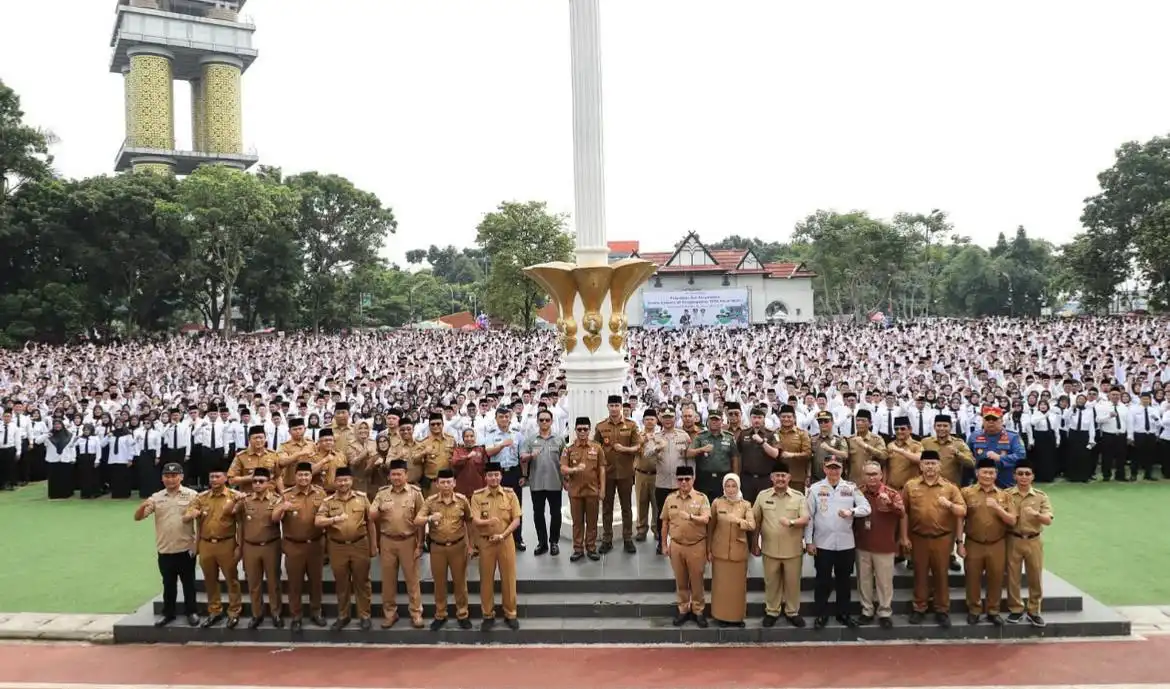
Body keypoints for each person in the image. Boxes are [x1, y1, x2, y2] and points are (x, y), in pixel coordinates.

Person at [804, 455, 872, 629]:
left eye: (837, 468)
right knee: (822, 581)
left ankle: (844, 613)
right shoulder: (815, 488)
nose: (833, 471)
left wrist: (851, 511)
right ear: (824, 469)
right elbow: (809, 517)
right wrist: (809, 541)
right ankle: (821, 614)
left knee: (844, 581)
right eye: (830, 467)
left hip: (845, 543)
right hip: (823, 543)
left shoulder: (851, 488)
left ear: (842, 469)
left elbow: (866, 508)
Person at [901, 449, 965, 628]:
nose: (930, 467)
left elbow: (962, 511)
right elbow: (903, 512)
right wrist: (904, 536)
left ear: (940, 466)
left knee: (941, 575)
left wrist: (950, 504)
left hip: (942, 539)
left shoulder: (950, 487)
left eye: (933, 463)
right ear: (920, 466)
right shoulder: (910, 485)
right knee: (920, 574)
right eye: (926, 463)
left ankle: (942, 609)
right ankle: (919, 607)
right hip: (918, 537)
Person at [134, 462, 200, 628]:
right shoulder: (156, 498)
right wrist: (142, 505)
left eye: (174, 476)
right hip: (165, 548)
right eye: (167, 476)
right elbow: (138, 517)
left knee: (189, 583)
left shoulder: (192, 495)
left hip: (186, 548)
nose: (170, 479)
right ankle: (168, 613)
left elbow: (201, 521)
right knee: (168, 584)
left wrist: (196, 544)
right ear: (162, 478)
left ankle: (191, 612)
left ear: (181, 477)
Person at [182, 462, 244, 629]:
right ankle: (215, 611)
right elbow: (186, 517)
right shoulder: (201, 498)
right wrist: (191, 514)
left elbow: (241, 523)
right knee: (210, 580)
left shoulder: (235, 496)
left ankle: (234, 611)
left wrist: (240, 545)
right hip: (206, 544)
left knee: (232, 579)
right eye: (212, 477)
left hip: (227, 543)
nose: (214, 479)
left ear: (225, 478)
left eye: (218, 476)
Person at [958, 457, 1017, 626]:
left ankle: (993, 610)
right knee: (972, 578)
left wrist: (998, 508)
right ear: (977, 473)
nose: (988, 476)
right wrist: (959, 543)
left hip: (997, 543)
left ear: (996, 474)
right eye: (984, 472)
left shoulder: (1004, 496)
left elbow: (1012, 520)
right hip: (973, 542)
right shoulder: (966, 493)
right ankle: (974, 610)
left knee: (996, 578)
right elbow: (960, 520)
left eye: (991, 473)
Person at [315, 465, 374, 631]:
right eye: (340, 480)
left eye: (346, 480)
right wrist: (333, 520)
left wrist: (373, 546)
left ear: (351, 481)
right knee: (341, 583)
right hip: (337, 547)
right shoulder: (328, 502)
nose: (343, 483)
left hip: (359, 544)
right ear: (335, 482)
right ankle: (343, 615)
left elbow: (371, 523)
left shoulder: (362, 498)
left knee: (362, 581)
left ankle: (365, 615)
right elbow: (318, 521)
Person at [369, 458, 426, 629]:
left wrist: (420, 544)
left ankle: (416, 613)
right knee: (388, 581)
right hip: (387, 541)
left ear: (406, 475)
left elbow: (421, 520)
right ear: (389, 476)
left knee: (412, 580)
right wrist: (376, 511)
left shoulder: (415, 493)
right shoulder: (382, 494)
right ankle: (390, 613)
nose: (396, 477)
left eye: (399, 474)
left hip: (408, 541)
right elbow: (372, 515)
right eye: (393, 474)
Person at [415, 468, 474, 631]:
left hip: (458, 546)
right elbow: (417, 520)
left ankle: (463, 614)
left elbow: (469, 521)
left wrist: (471, 545)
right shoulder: (431, 501)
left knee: (460, 583)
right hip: (438, 548)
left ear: (454, 483)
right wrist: (429, 518)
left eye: (449, 482)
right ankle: (440, 614)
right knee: (439, 583)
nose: (446, 485)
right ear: (437, 484)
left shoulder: (462, 500)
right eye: (443, 482)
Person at [752, 462, 808, 628]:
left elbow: (805, 519)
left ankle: (792, 612)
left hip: (792, 550)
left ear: (789, 478)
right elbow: (755, 520)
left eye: (783, 476)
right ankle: (772, 611)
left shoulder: (799, 496)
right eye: (777, 475)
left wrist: (791, 522)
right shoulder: (763, 496)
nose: (780, 479)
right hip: (770, 549)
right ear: (771, 478)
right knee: (771, 583)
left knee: (792, 584)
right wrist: (755, 543)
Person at [276, 461, 328, 632]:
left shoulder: (320, 493)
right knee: (295, 583)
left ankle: (316, 612)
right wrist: (282, 508)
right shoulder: (286, 495)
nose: (304, 478)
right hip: (294, 545)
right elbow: (274, 518)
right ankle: (296, 616)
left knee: (316, 582)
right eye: (300, 475)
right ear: (295, 476)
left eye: (307, 475)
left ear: (311, 476)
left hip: (315, 545)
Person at [472, 461, 522, 630]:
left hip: (505, 541)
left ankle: (510, 613)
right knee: (486, 580)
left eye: (496, 475)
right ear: (485, 477)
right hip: (486, 543)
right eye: (490, 475)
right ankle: (488, 614)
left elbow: (516, 520)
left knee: (508, 579)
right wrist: (488, 522)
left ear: (501, 476)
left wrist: (503, 534)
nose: (493, 478)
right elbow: (475, 520)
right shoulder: (477, 496)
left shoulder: (510, 494)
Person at [854, 459, 903, 628]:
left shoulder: (891, 493)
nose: (871, 478)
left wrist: (889, 504)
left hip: (884, 545)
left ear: (881, 475)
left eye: (875, 474)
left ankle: (884, 611)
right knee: (864, 581)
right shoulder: (857, 493)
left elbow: (902, 512)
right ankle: (866, 610)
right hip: (863, 545)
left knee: (884, 582)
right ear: (863, 476)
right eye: (868, 474)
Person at [1005, 459, 1054, 627]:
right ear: (1014, 476)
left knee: (1035, 576)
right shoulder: (1007, 495)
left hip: (1033, 540)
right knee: (1013, 577)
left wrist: (1036, 515)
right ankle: (1016, 609)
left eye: (1027, 474)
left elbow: (1048, 520)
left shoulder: (1040, 496)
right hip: (1013, 539)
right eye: (1020, 474)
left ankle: (1034, 610)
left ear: (1032, 477)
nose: (1024, 477)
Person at [661, 465, 711, 628]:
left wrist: (690, 517)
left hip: (696, 546)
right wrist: (664, 544)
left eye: (687, 479)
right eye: (680, 479)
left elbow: (705, 519)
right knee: (680, 580)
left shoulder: (701, 498)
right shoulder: (670, 499)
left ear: (693, 479)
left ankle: (698, 610)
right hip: (676, 546)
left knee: (697, 581)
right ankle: (683, 609)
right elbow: (665, 523)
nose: (683, 482)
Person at [236, 466, 284, 629]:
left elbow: (278, 519)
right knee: (253, 583)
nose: (257, 484)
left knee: (273, 582)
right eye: (254, 481)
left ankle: (276, 613)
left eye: (261, 481)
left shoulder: (277, 500)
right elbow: (236, 520)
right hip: (251, 546)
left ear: (269, 483)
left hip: (271, 545)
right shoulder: (245, 500)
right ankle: (257, 614)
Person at [594, 395, 642, 554]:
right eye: (611, 405)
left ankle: (627, 538)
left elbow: (638, 447)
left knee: (626, 507)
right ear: (607, 406)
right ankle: (607, 539)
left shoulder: (631, 425)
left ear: (621, 407)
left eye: (617, 405)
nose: (614, 408)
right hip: (607, 474)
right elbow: (595, 449)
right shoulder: (601, 426)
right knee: (606, 507)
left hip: (626, 473)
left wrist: (624, 449)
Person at [708, 472, 755, 628]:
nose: (730, 489)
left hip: (738, 551)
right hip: (720, 551)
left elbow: (751, 525)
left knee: (737, 588)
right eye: (727, 486)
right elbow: (711, 527)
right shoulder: (717, 503)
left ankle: (737, 617)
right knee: (721, 587)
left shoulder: (746, 505)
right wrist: (708, 548)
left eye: (733, 485)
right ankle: (720, 616)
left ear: (738, 486)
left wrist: (737, 521)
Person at [522, 409, 566, 556]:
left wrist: (566, 480)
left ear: (552, 421)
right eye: (542, 420)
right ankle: (542, 543)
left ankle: (554, 542)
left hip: (555, 482)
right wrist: (530, 455)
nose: (544, 422)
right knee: (538, 514)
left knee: (555, 514)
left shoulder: (559, 439)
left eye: (547, 420)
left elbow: (564, 461)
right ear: (537, 421)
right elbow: (522, 457)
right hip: (537, 483)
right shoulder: (530, 439)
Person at [561, 416, 605, 561]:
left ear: (589, 430)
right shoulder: (569, 449)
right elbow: (563, 468)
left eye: (585, 429)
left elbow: (602, 470)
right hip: (575, 492)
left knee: (592, 522)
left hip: (592, 491)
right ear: (575, 430)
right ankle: (578, 549)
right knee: (577, 522)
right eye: (579, 429)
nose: (582, 432)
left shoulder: (597, 447)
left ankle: (591, 547)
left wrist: (603, 489)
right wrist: (574, 470)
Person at [688, 408, 739, 503]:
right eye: (712, 419)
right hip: (704, 478)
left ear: (722, 421)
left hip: (723, 478)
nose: (714, 422)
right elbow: (689, 453)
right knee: (703, 506)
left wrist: (735, 477)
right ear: (708, 421)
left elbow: (734, 457)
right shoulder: (700, 436)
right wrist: (701, 449)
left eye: (717, 419)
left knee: (723, 507)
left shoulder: (729, 437)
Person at [967, 406, 1025, 488]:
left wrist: (1000, 458)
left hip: (1006, 483)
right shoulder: (974, 436)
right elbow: (968, 458)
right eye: (987, 419)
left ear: (1001, 420)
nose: (991, 422)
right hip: (980, 484)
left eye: (994, 419)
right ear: (983, 421)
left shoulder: (1013, 437)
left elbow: (1021, 456)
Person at [737, 406, 780, 504]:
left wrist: (762, 442)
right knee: (747, 507)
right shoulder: (744, 434)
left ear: (764, 418)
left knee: (766, 507)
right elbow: (737, 454)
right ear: (750, 418)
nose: (757, 420)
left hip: (765, 479)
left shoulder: (771, 434)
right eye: (754, 417)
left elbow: (776, 454)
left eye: (760, 417)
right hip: (747, 479)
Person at [44, 418, 76, 500]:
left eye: (59, 424)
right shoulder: (49, 435)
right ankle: (54, 494)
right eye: (55, 424)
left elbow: (72, 447)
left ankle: (66, 494)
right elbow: (37, 441)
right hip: (53, 460)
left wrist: (73, 457)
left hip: (65, 459)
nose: (57, 426)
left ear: (62, 425)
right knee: (54, 479)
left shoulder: (69, 435)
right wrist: (47, 435)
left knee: (65, 478)